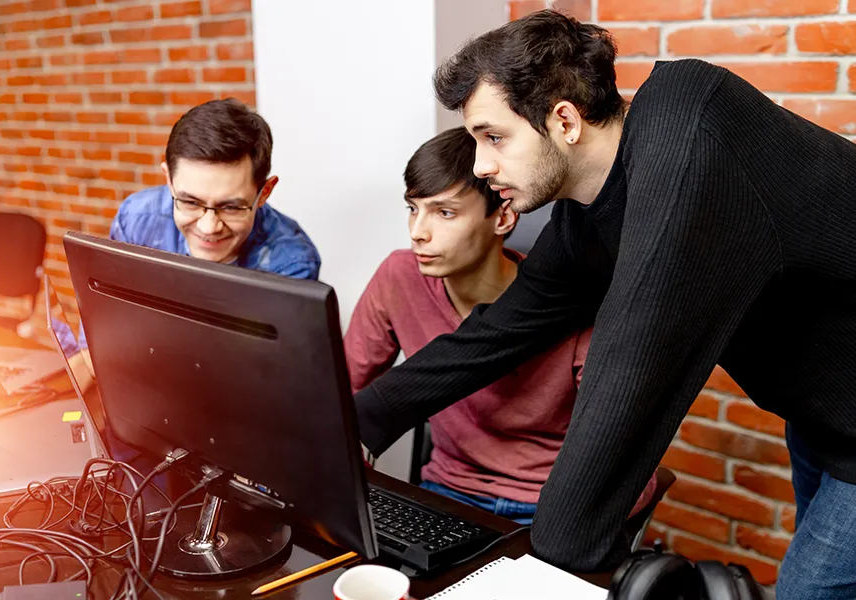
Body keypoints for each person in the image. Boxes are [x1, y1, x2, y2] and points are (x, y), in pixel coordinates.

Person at [352, 10, 856, 599]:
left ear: (563, 118)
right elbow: (493, 337)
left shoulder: (690, 124)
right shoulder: (584, 221)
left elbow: (632, 355)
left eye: (494, 137)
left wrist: (551, 564)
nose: (482, 167)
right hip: (823, 416)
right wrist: (358, 423)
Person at [345, 126, 656, 524]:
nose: (417, 233)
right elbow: (343, 389)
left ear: (503, 217)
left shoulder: (573, 306)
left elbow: (621, 455)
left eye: (444, 212)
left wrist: (568, 527)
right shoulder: (399, 277)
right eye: (412, 209)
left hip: (545, 508)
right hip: (445, 492)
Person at [109, 97, 320, 278]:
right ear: (169, 181)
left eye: (230, 207)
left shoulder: (292, 262)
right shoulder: (135, 220)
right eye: (190, 202)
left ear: (264, 192)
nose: (208, 227)